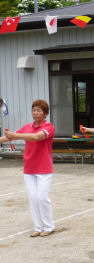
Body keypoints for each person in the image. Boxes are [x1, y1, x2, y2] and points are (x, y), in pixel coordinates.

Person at [0, 100, 56, 237]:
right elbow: (7, 138)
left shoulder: (49, 127)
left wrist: (15, 135)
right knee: (32, 198)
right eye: (33, 110)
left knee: (41, 198)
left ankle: (48, 226)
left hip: (44, 168)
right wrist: (9, 136)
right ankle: (38, 227)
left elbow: (37, 137)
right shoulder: (27, 127)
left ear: (45, 113)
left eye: (39, 111)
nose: (35, 113)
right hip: (29, 168)